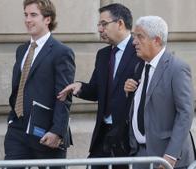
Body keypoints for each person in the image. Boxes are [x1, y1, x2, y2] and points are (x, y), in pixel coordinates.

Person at [58, 3, 143, 169]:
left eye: (104, 24)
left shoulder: (139, 50)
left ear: (120, 24)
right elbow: (97, 90)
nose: (100, 29)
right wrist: (80, 87)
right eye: (99, 24)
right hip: (104, 134)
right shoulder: (103, 55)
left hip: (127, 137)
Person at [4, 0, 75, 168]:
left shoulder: (61, 52)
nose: (28, 20)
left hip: (46, 131)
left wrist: (57, 131)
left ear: (47, 19)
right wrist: (12, 120)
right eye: (26, 15)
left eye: (33, 15)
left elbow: (64, 96)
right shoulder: (22, 50)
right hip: (18, 130)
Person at [124, 16, 196, 169]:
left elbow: (185, 113)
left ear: (156, 40)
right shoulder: (140, 67)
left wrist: (170, 156)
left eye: (140, 37)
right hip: (140, 156)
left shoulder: (177, 68)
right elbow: (146, 104)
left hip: (167, 160)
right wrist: (129, 92)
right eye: (134, 36)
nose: (134, 42)